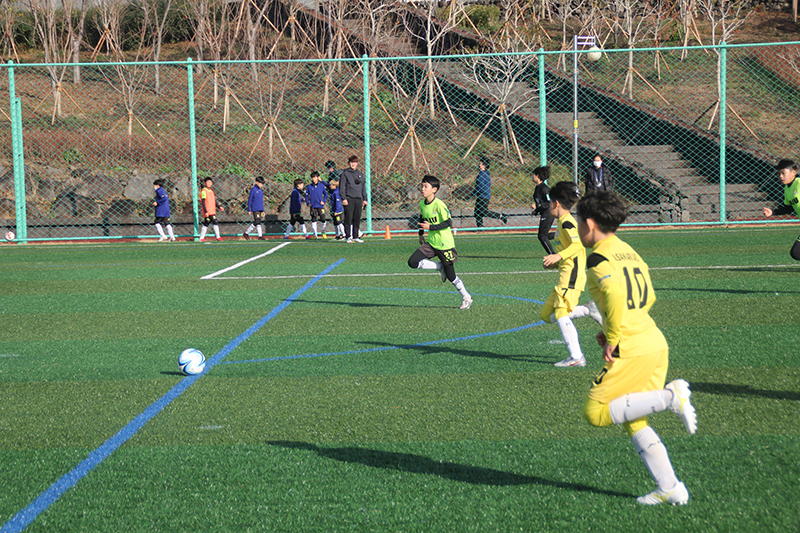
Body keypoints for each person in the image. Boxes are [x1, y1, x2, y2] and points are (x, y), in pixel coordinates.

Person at [576, 190, 697, 506]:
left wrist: (613, 335)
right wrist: (610, 329)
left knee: (597, 412)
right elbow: (648, 297)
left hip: (631, 347)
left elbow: (614, 294)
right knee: (633, 418)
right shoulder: (628, 250)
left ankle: (672, 397)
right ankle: (670, 487)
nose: (577, 227)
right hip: (653, 340)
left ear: (589, 223)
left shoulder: (598, 256)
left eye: (578, 222)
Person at [541, 181, 602, 368]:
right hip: (565, 274)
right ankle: (586, 310)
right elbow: (570, 249)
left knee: (560, 313)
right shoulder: (561, 222)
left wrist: (557, 255)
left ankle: (576, 357)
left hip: (572, 276)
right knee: (546, 315)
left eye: (549, 202)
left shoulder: (567, 222)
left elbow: (577, 246)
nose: (548, 205)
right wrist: (557, 262)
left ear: (556, 203)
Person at [408, 175, 473, 310]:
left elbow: (448, 222)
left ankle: (466, 297)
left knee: (451, 276)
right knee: (412, 262)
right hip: (431, 243)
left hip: (445, 245)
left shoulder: (439, 204)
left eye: (426, 186)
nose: (422, 189)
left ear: (434, 189)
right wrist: (420, 234)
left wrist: (430, 228)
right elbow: (422, 218)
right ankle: (439, 267)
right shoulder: (422, 203)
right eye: (422, 185)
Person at [762, 158, 800, 260]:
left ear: (794, 172)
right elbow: (789, 208)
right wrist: (773, 212)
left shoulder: (799, 183)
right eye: (779, 173)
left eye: (783, 173)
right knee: (796, 253)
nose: (780, 176)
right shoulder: (787, 189)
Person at [472, 157, 508, 228]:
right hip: (483, 195)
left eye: (480, 164)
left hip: (482, 196)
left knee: (483, 211)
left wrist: (473, 193)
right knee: (477, 212)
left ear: (484, 165)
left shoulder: (482, 175)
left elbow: (480, 186)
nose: (479, 165)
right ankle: (480, 227)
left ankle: (500, 216)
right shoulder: (486, 174)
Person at [341, 155, 367, 243]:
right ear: (348, 163)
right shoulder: (345, 173)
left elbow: (363, 187)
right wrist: (343, 198)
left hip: (358, 199)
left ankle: (356, 236)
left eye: (355, 162)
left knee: (357, 218)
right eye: (351, 162)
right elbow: (342, 187)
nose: (353, 164)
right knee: (348, 218)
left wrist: (365, 199)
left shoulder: (360, 174)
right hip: (349, 198)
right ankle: (348, 236)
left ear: (357, 163)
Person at [531, 166, 555, 254]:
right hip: (544, 213)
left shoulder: (544, 189)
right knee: (543, 235)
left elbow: (550, 203)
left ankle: (552, 254)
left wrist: (537, 205)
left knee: (542, 236)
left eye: (533, 174)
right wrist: (536, 211)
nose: (532, 176)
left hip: (548, 213)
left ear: (537, 176)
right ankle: (560, 235)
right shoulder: (537, 188)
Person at [305, 171, 329, 239]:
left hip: (320, 206)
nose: (314, 179)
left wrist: (324, 201)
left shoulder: (321, 186)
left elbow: (326, 194)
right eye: (312, 177)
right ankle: (315, 235)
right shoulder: (309, 187)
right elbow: (306, 196)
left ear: (318, 178)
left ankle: (323, 231)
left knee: (323, 219)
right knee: (313, 219)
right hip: (313, 206)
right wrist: (307, 203)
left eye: (315, 177)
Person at [199, 177, 223, 242]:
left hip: (212, 210)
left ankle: (201, 238)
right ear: (204, 183)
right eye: (208, 182)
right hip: (208, 211)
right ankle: (218, 237)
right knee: (215, 221)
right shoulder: (204, 191)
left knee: (207, 223)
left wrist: (219, 206)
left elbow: (214, 200)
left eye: (210, 182)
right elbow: (203, 202)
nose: (209, 184)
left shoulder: (211, 191)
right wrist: (205, 211)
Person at [243, 176, 266, 240]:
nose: (261, 185)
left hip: (260, 209)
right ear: (256, 182)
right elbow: (250, 200)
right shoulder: (253, 190)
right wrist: (249, 209)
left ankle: (248, 234)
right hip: (255, 208)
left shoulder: (261, 191)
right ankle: (258, 236)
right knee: (257, 221)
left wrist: (263, 210)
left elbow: (261, 201)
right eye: (260, 183)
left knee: (258, 222)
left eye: (262, 183)